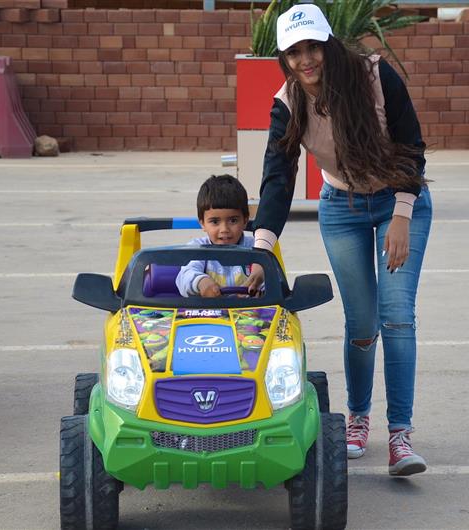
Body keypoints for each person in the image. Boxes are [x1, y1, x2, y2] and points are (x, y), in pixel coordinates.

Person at [245, 3, 433, 477]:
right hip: (343, 208)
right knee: (363, 322)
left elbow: (412, 144)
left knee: (396, 318)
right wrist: (261, 250)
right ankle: (357, 420)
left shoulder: (373, 75)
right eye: (294, 52)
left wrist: (403, 216)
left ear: (328, 44)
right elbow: (277, 177)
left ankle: (399, 436)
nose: (305, 60)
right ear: (284, 58)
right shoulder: (288, 102)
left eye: (313, 48)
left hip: (399, 201)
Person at [176, 174, 255, 298]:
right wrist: (201, 282)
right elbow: (185, 276)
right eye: (215, 222)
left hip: (248, 313)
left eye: (233, 220)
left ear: (245, 219)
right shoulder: (197, 248)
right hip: (208, 313)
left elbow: (272, 278)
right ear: (202, 223)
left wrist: (258, 289)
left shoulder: (255, 248)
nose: (224, 229)